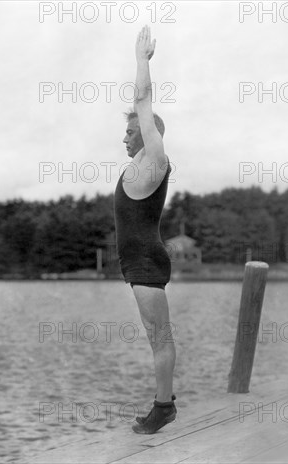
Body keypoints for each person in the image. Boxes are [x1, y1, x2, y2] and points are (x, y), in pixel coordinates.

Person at [113, 25, 176, 435]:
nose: (125, 136)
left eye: (132, 130)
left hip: (147, 264)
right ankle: (164, 400)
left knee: (159, 339)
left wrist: (140, 60)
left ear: (150, 134)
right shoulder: (136, 166)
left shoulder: (155, 160)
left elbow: (142, 101)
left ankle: (163, 406)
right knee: (156, 338)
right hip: (137, 264)